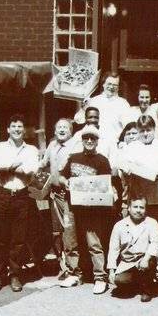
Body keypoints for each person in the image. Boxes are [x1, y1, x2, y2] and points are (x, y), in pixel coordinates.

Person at [118, 115, 158, 290]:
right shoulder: (131, 147)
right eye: (142, 131)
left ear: (154, 130)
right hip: (139, 199)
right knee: (139, 236)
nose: (145, 134)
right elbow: (122, 166)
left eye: (148, 130)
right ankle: (142, 274)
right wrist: (127, 170)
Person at [58, 124, 113, 294]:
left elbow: (106, 185)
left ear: (97, 141)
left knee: (94, 243)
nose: (89, 141)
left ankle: (100, 277)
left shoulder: (103, 161)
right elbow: (61, 176)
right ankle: (74, 274)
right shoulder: (73, 157)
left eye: (93, 138)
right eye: (86, 138)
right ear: (82, 140)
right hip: (72, 206)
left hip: (93, 209)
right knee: (70, 241)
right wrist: (64, 182)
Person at [0, 114, 39, 292]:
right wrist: (17, 165)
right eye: (13, 126)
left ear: (24, 130)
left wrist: (10, 167)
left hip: (21, 196)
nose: (17, 129)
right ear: (8, 129)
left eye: (20, 126)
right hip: (2, 194)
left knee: (18, 239)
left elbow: (31, 170)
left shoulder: (32, 149)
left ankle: (15, 275)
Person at [39, 118, 79, 282]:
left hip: (69, 195)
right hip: (53, 195)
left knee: (70, 233)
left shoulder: (75, 145)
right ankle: (63, 266)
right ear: (55, 131)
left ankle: (74, 270)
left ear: (70, 131)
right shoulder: (52, 145)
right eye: (59, 127)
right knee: (57, 232)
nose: (62, 130)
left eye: (65, 127)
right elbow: (43, 164)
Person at [107, 195, 158, 303]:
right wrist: (111, 270)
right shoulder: (119, 225)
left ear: (146, 209)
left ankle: (146, 289)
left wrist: (146, 259)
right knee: (120, 281)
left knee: (148, 264)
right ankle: (136, 283)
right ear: (128, 208)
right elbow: (114, 248)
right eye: (135, 207)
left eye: (141, 207)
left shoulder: (151, 222)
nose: (138, 210)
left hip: (145, 259)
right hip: (127, 261)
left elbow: (155, 243)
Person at [74, 72, 131, 141]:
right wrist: (83, 108)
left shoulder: (123, 104)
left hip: (113, 141)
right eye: (109, 84)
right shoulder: (93, 100)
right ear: (103, 84)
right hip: (93, 140)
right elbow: (79, 120)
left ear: (118, 87)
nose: (111, 87)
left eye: (115, 85)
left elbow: (128, 125)